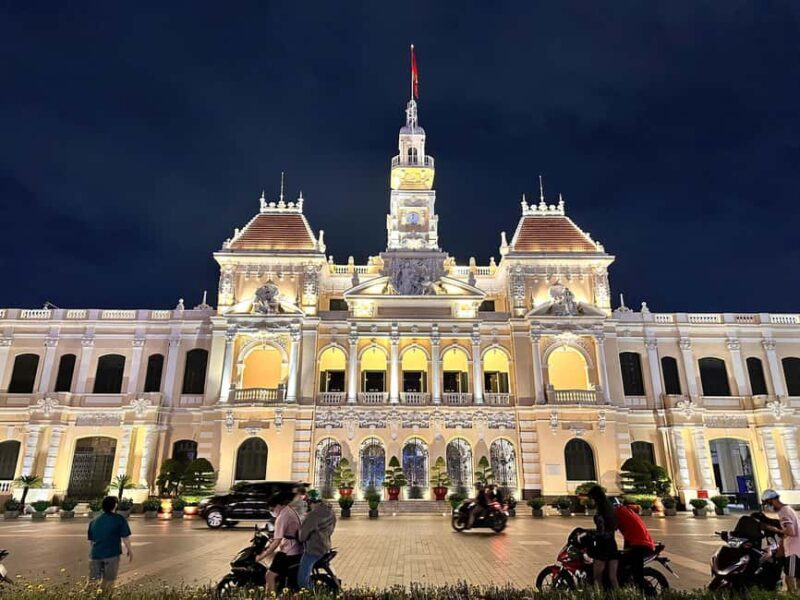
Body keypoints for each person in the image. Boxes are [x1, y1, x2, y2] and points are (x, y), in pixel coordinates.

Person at [257, 491, 303, 593]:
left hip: (290, 552)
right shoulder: (289, 511)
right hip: (296, 549)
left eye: (272, 508)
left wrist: (262, 556)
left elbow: (277, 542)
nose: (272, 511)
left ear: (278, 505)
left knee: (269, 576)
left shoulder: (282, 517)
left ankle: (271, 597)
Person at [87, 496, 132, 592]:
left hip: (95, 554)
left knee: (92, 580)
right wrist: (130, 550)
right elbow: (125, 537)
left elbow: (91, 540)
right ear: (115, 506)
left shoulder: (94, 521)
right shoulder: (119, 519)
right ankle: (104, 596)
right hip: (111, 554)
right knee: (109, 581)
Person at [761, 489, 800, 591]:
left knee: (789, 576)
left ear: (772, 500)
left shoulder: (783, 512)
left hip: (794, 550)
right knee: (796, 575)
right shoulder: (788, 508)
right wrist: (780, 543)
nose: (767, 506)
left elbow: (791, 532)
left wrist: (774, 529)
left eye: (767, 503)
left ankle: (792, 596)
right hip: (795, 547)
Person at [297, 489, 337, 590]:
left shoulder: (314, 515)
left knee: (302, 580)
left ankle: (309, 594)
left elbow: (302, 536)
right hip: (325, 546)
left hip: (313, 550)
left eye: (308, 502)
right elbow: (331, 530)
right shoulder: (330, 511)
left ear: (311, 502)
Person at [615, 500, 656, 591]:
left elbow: (610, 528)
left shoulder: (617, 513)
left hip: (639, 545)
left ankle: (642, 592)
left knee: (630, 571)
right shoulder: (625, 510)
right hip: (641, 542)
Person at [587, 485, 619, 590]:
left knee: (597, 577)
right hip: (612, 546)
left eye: (591, 498)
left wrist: (592, 535)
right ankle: (620, 596)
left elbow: (602, 531)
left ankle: (599, 596)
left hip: (602, 547)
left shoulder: (601, 512)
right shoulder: (609, 508)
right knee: (613, 578)